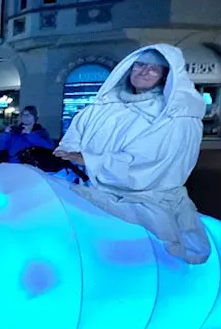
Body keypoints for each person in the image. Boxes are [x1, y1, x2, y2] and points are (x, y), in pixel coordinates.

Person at [53, 44, 209, 264]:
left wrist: (89, 159)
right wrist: (71, 154)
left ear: (166, 76)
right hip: (88, 184)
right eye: (140, 65)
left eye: (154, 69)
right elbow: (74, 140)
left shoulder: (174, 117)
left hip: (138, 198)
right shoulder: (104, 106)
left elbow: (152, 164)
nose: (144, 72)